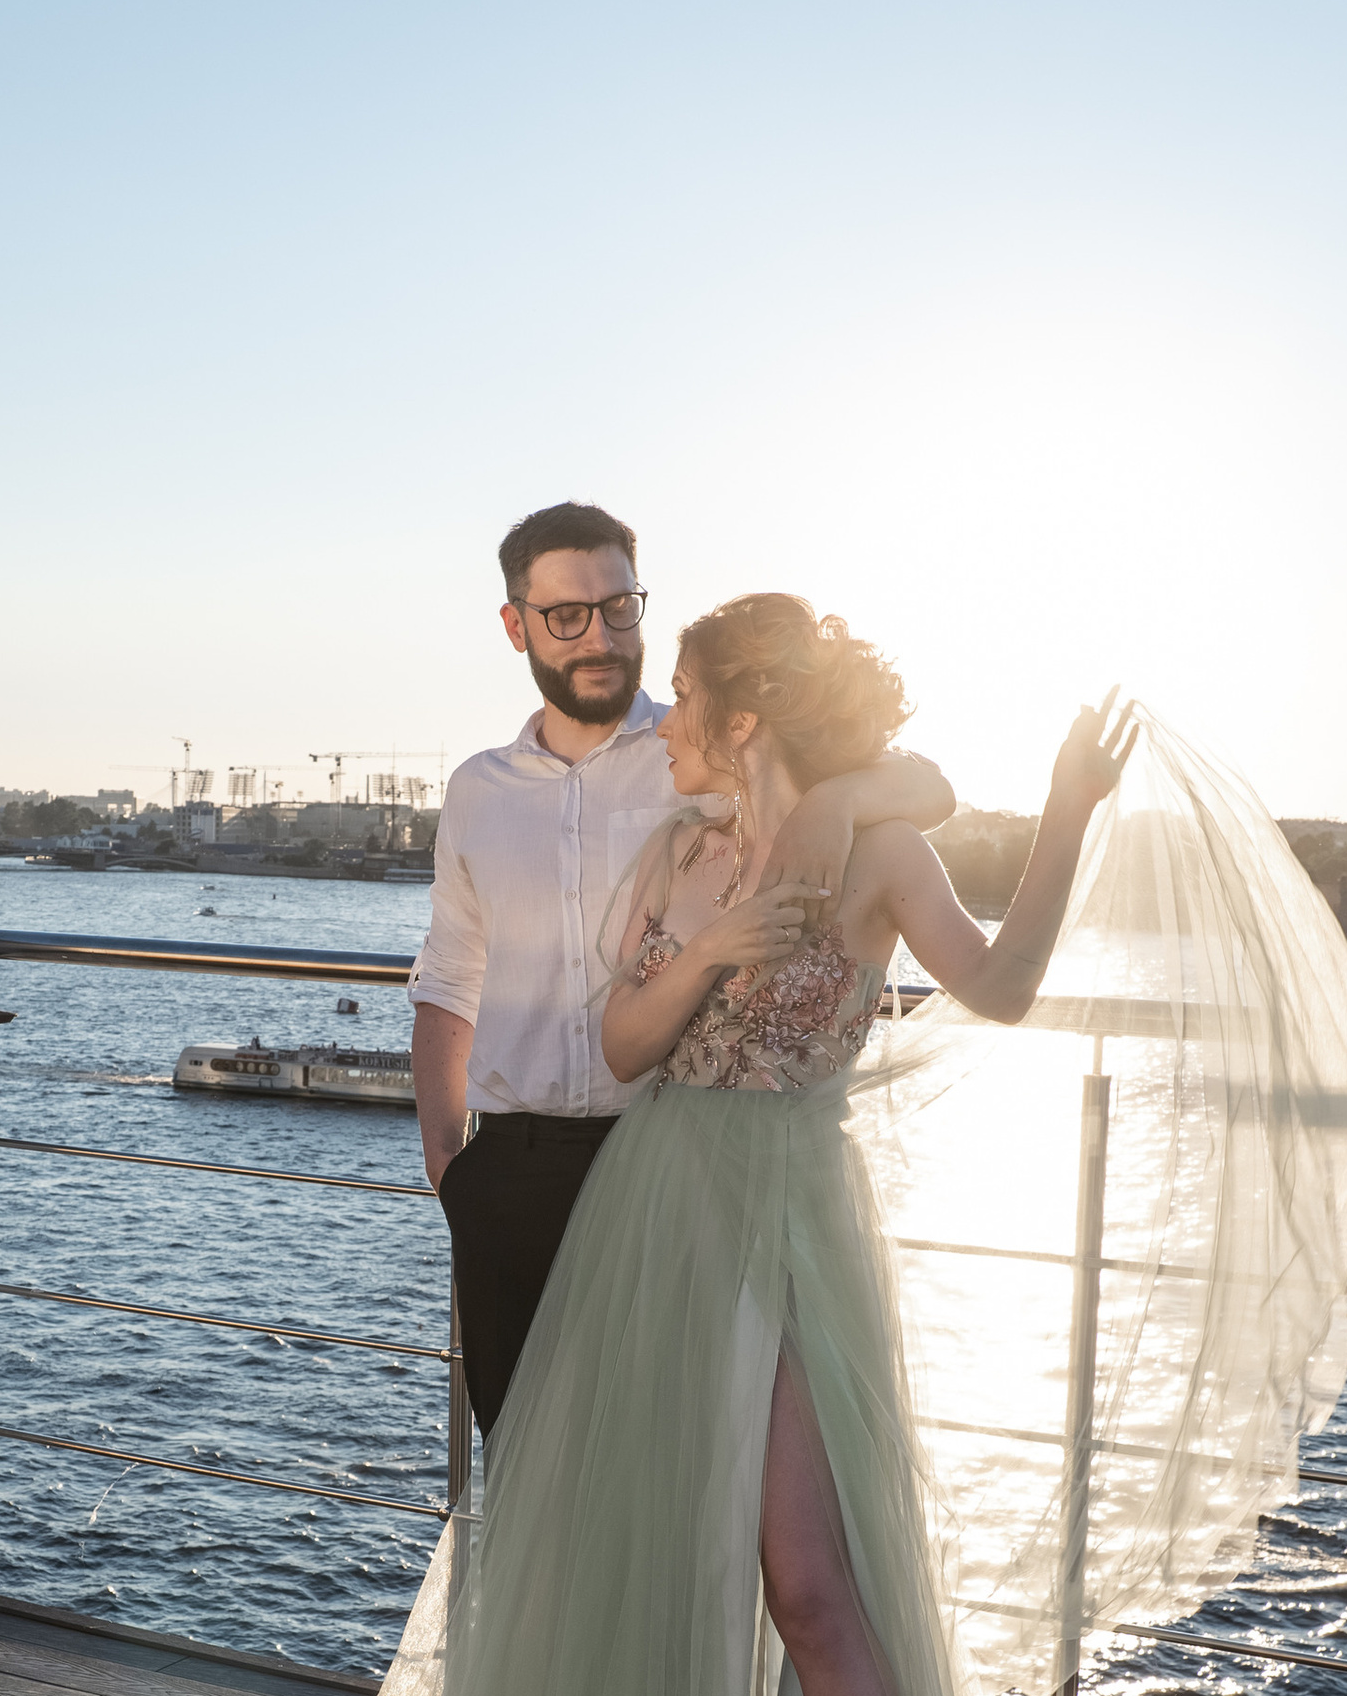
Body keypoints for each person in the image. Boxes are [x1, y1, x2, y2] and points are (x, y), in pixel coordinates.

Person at [336, 588, 1132, 1696]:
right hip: (655, 1220)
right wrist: (704, 947)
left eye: (690, 700)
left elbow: (1007, 987)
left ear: (742, 713)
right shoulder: (682, 850)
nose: (669, 725)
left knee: (809, 1582)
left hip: (791, 1217)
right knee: (636, 1564)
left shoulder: (879, 851)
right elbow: (625, 1040)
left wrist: (1067, 814)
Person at [411, 501, 960, 1436]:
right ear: (516, 626)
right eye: (566, 615)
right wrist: (448, 1165)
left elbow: (932, 787)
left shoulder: (706, 744)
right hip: (509, 1178)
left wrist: (837, 800)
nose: (599, 636)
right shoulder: (476, 790)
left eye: (618, 606)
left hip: (665, 1167)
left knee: (666, 1468)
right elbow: (450, 976)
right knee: (525, 1465)